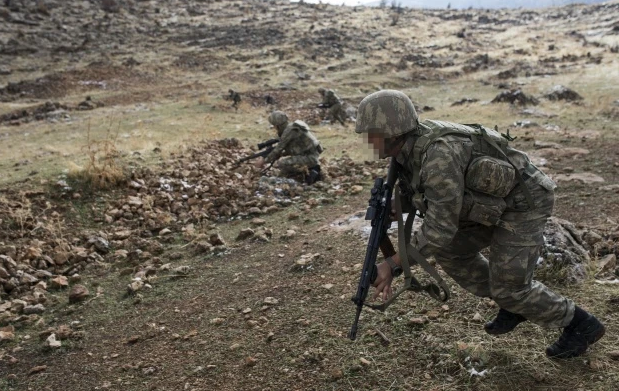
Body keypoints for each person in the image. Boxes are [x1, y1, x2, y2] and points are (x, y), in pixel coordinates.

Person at [355, 89, 605, 359]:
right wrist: (399, 205)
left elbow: (440, 229)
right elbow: (429, 194)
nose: (368, 141)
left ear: (392, 132)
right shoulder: (407, 149)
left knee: (510, 289)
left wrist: (392, 264)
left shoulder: (438, 156)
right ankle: (512, 305)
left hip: (524, 203)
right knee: (450, 251)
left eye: (372, 134)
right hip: (489, 203)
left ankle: (580, 324)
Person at [254, 111, 323, 184]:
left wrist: (264, 161)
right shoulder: (291, 128)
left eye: (274, 126)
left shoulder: (289, 131)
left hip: (310, 158)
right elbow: (294, 149)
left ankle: (309, 173)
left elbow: (278, 149)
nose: (274, 128)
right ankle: (284, 179)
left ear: (278, 125)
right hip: (309, 156)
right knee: (285, 164)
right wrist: (281, 154)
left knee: (283, 163)